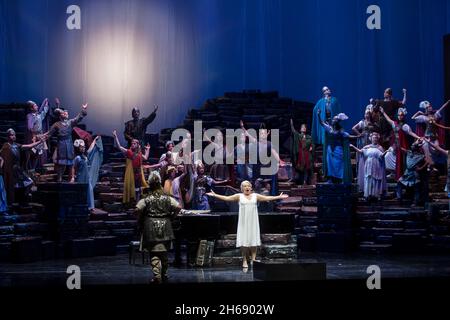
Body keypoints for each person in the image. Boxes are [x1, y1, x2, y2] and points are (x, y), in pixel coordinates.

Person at [206, 181, 288, 269]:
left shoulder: (255, 196)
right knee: (244, 241)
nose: (247, 187)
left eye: (248, 186)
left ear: (251, 187)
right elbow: (227, 198)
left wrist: (278, 197)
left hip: (253, 221)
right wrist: (215, 195)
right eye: (244, 186)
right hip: (243, 222)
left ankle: (253, 259)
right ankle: (244, 260)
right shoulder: (239, 196)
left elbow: (267, 197)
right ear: (242, 188)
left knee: (253, 240)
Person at [136, 171, 183, 283]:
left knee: (154, 252)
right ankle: (164, 274)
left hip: (151, 227)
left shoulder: (147, 198)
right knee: (164, 252)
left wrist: (140, 219)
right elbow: (178, 207)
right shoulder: (166, 198)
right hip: (166, 227)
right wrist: (171, 217)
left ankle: (157, 275)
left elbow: (137, 209)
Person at [44, 103, 88, 182]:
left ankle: (71, 178)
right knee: (61, 163)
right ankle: (59, 178)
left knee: (70, 162)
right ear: (60, 116)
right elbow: (49, 134)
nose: (66, 114)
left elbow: (78, 118)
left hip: (69, 143)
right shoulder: (56, 124)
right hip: (61, 144)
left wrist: (83, 109)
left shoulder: (70, 122)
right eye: (64, 113)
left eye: (66, 113)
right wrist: (41, 137)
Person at [0, 129, 46, 205]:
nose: (13, 136)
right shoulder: (5, 146)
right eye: (11, 135)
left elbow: (29, 146)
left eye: (14, 134)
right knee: (10, 187)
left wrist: (40, 142)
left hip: (18, 169)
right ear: (8, 137)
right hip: (10, 170)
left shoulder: (16, 145)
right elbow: (2, 157)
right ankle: (12, 203)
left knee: (29, 181)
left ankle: (23, 198)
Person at [380, 107, 420, 180]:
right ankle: (393, 172)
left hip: (402, 145)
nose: (400, 116)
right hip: (394, 145)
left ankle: (401, 175)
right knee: (387, 156)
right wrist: (383, 112)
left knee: (402, 160)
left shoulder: (405, 126)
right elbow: (388, 119)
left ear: (403, 116)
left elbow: (410, 133)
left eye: (401, 115)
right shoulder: (394, 123)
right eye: (399, 115)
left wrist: (418, 137)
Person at [317, 109, 356, 184]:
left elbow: (348, 136)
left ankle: (341, 179)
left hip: (338, 149)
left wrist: (358, 136)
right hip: (330, 149)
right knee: (330, 164)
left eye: (335, 119)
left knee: (339, 164)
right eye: (333, 119)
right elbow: (321, 123)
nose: (333, 120)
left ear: (337, 121)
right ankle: (330, 179)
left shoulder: (340, 130)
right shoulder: (330, 129)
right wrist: (319, 115)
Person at [113, 130, 150, 204]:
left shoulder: (139, 153)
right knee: (131, 188)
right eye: (132, 143)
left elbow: (145, 157)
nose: (132, 144)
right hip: (131, 173)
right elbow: (119, 147)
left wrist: (148, 150)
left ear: (137, 145)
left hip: (138, 173)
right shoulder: (129, 152)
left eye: (134, 143)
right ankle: (131, 203)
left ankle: (137, 204)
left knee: (138, 189)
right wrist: (115, 137)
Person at [350, 132, 387, 201]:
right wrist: (353, 146)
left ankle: (376, 194)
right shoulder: (367, 147)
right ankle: (368, 194)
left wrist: (386, 151)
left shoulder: (380, 148)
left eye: (376, 138)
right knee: (368, 178)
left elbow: (382, 156)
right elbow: (360, 151)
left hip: (377, 165)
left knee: (376, 179)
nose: (375, 139)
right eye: (373, 138)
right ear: (371, 139)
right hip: (369, 165)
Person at [72, 136, 103, 213]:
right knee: (81, 191)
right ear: (78, 148)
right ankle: (80, 205)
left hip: (87, 177)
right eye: (81, 147)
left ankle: (91, 206)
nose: (83, 148)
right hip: (80, 177)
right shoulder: (77, 158)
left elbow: (91, 149)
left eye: (84, 147)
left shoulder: (85, 157)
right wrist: (73, 177)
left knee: (90, 190)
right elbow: (73, 167)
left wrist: (95, 140)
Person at [396, 139, 431, 206]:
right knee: (399, 183)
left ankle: (415, 202)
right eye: (412, 145)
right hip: (407, 173)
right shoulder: (409, 152)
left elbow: (428, 161)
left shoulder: (420, 156)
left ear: (417, 148)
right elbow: (400, 147)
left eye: (414, 146)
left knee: (416, 188)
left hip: (414, 174)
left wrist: (420, 168)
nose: (412, 146)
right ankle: (399, 199)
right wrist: (397, 136)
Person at [352, 108, 379, 191]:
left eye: (368, 114)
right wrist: (359, 134)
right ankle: (361, 175)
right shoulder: (362, 122)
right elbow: (353, 128)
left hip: (370, 140)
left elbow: (376, 131)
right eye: (365, 114)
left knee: (370, 156)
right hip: (363, 140)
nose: (366, 115)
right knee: (362, 156)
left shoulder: (373, 123)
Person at [25, 99, 49, 170]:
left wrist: (46, 104)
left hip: (40, 136)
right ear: (31, 108)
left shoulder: (38, 115)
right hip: (34, 137)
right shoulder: (30, 116)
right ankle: (29, 169)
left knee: (38, 153)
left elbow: (44, 113)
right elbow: (30, 127)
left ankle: (33, 169)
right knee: (32, 153)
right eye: (35, 105)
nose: (37, 106)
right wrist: (34, 136)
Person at [290, 119, 313, 185]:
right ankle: (299, 181)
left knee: (306, 168)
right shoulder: (298, 136)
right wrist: (291, 125)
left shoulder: (309, 137)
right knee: (300, 169)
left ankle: (305, 182)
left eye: (305, 127)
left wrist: (311, 147)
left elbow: (311, 145)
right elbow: (294, 131)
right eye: (302, 127)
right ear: (300, 129)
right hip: (300, 154)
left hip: (307, 155)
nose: (304, 128)